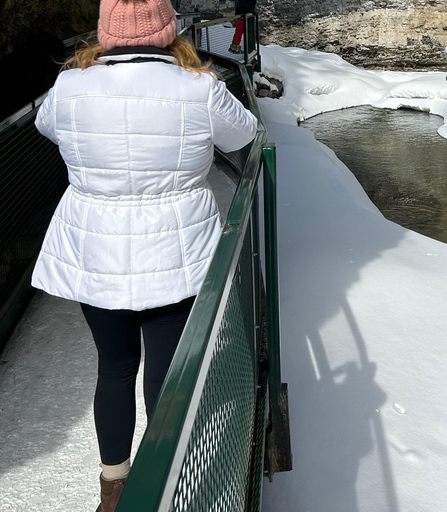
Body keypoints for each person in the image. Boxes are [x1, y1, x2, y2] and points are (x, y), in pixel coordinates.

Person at [32, 0, 259, 510]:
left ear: (105, 32)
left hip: (97, 254)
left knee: (113, 367)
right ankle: (163, 486)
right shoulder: (199, 88)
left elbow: (48, 128)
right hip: (176, 255)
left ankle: (113, 488)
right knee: (166, 374)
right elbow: (245, 135)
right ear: (168, 28)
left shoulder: (69, 86)